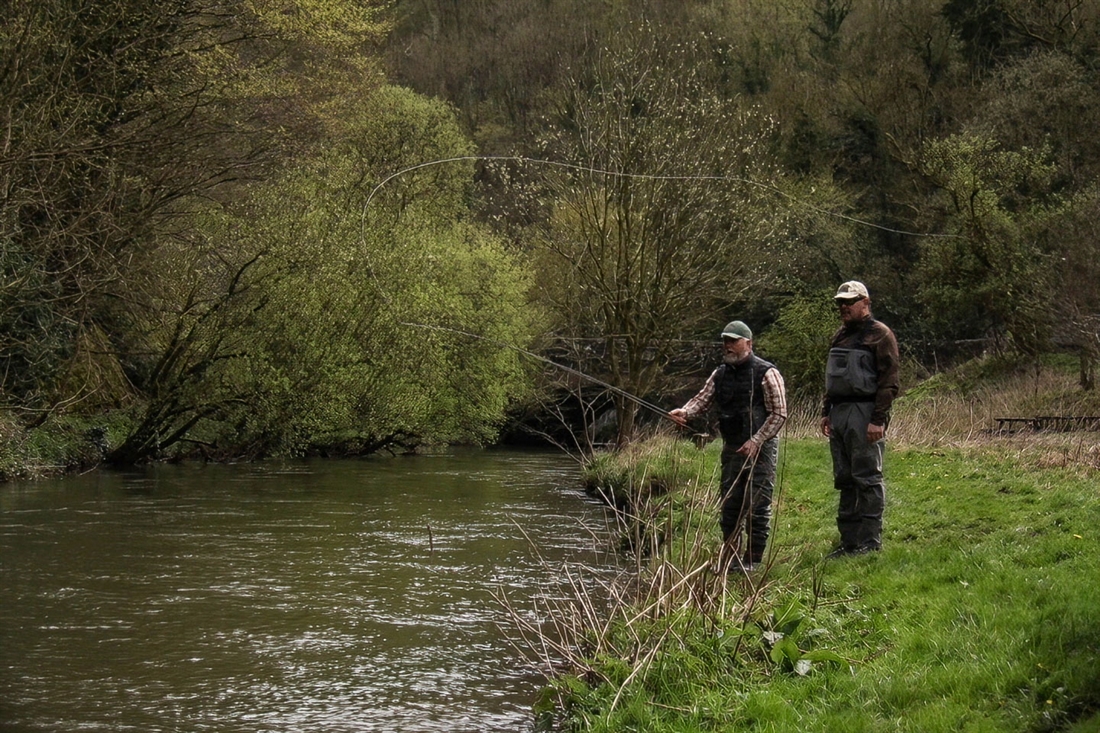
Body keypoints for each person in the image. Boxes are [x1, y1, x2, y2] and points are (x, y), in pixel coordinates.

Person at [670, 320, 787, 572]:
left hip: (761, 450)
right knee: (730, 505)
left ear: (749, 343)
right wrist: (685, 412)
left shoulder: (767, 373)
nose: (728, 346)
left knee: (757, 505)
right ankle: (731, 558)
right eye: (725, 341)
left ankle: (753, 561)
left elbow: (779, 414)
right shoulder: (720, 373)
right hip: (732, 448)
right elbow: (702, 399)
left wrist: (756, 441)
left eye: (733, 341)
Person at [820, 281, 900, 557]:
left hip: (865, 412)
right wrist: (826, 411)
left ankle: (870, 542)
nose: (843, 306)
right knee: (844, 478)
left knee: (867, 477)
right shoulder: (839, 335)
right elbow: (832, 377)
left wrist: (878, 420)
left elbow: (889, 382)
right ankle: (848, 542)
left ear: (865, 302)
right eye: (840, 302)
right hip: (839, 413)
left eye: (849, 301)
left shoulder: (880, 335)